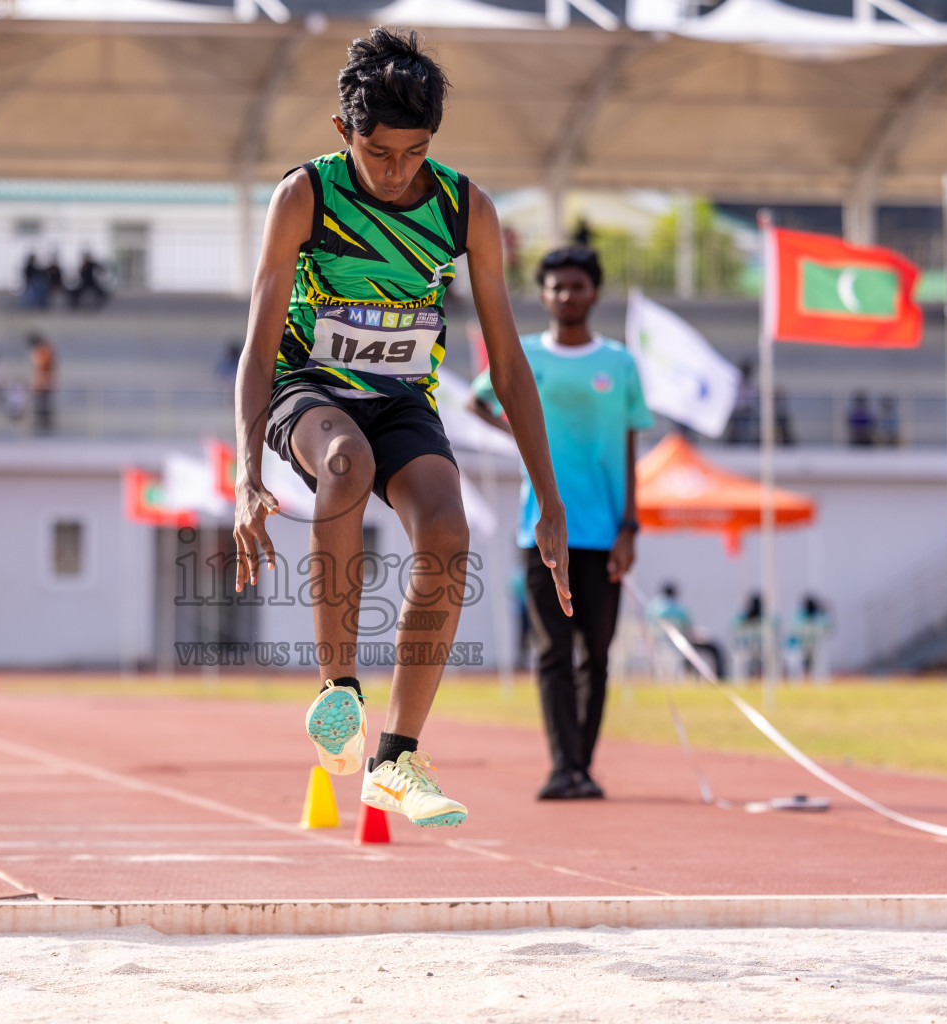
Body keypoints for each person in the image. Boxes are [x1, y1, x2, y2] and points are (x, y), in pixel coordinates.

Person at [231, 28, 573, 829]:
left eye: (414, 153)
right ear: (342, 132)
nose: (395, 173)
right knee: (344, 462)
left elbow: (511, 367)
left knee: (448, 532)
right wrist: (247, 474)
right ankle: (337, 690)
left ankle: (395, 759)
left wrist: (547, 496)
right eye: (380, 154)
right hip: (307, 388)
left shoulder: (463, 208)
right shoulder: (305, 196)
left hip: (401, 399)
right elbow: (255, 346)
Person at [467, 246, 653, 801]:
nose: (566, 295)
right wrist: (522, 441)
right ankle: (561, 767)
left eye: (577, 286)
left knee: (596, 653)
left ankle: (584, 765)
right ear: (542, 294)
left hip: (602, 533)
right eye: (555, 287)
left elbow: (628, 443)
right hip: (541, 531)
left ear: (594, 292)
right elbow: (478, 401)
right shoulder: (521, 355)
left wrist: (630, 527)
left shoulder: (619, 364)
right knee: (551, 652)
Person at [28, 332, 56, 434]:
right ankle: (41, 426)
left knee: (44, 406)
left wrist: (38, 381)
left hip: (44, 383)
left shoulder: (43, 350)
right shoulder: (42, 350)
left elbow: (41, 367)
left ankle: (45, 428)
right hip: (41, 383)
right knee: (40, 406)